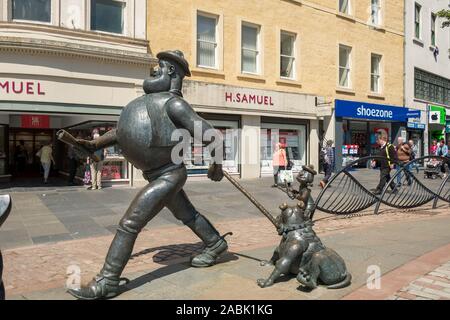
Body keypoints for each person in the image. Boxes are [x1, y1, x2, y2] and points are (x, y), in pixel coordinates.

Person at [66, 50, 227, 300]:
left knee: (130, 223)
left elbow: (210, 134)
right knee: (188, 215)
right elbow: (121, 132)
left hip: (168, 174)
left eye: (160, 66)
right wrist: (94, 145)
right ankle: (215, 243)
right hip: (156, 174)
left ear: (172, 71)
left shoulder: (174, 103)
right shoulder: (150, 102)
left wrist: (216, 163)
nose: (154, 70)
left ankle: (108, 280)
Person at [371, 131, 397, 195]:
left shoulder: (389, 146)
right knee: (387, 177)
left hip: (387, 165)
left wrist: (392, 163)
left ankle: (379, 190)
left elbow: (393, 155)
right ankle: (394, 189)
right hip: (382, 165)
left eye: (377, 140)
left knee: (383, 177)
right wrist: (374, 161)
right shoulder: (380, 147)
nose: (377, 142)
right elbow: (377, 156)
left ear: (381, 139)